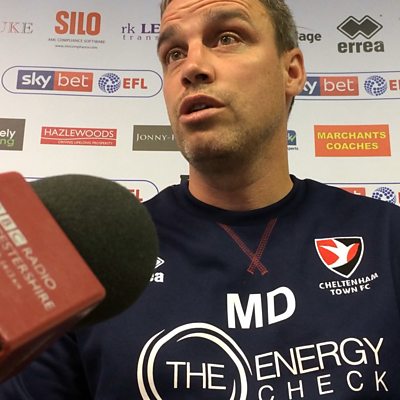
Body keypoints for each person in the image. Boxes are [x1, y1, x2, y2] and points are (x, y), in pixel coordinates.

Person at [1, 0, 400, 398]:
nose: (192, 67)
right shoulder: (91, 263)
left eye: (227, 38)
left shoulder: (387, 236)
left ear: (291, 72)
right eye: (174, 53)